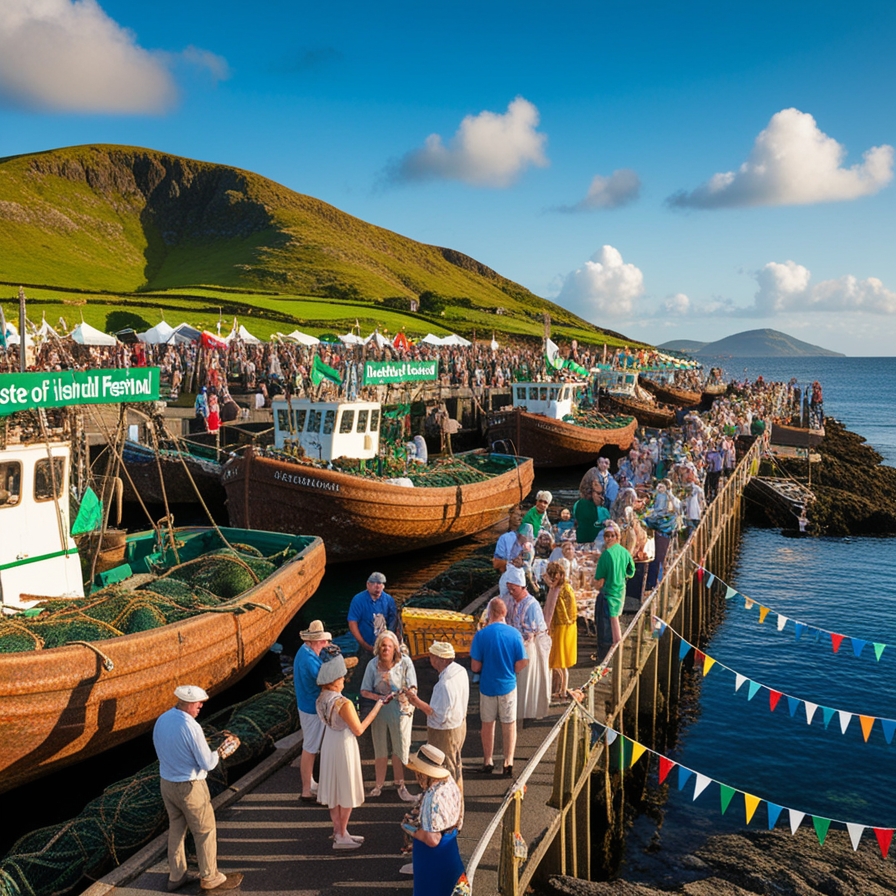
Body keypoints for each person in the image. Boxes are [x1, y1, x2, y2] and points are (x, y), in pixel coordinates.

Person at [152, 685, 243, 892]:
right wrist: (220, 752)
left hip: (167, 783)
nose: (201, 706)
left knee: (176, 828)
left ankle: (176, 876)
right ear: (186, 703)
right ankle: (210, 877)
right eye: (198, 703)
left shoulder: (162, 719)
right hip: (190, 786)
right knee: (205, 831)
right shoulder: (191, 727)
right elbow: (207, 764)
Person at [316, 655, 389, 849]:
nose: (344, 680)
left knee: (333, 788)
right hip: (343, 744)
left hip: (329, 741)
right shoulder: (343, 703)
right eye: (341, 677)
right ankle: (341, 834)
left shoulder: (321, 698)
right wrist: (377, 707)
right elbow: (358, 729)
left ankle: (339, 830)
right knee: (346, 788)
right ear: (334, 680)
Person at [470, 597, 527, 776]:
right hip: (508, 684)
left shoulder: (481, 635)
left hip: (487, 685)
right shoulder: (515, 634)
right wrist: (511, 670)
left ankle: (488, 760)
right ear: (504, 612)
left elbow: (475, 667)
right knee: (509, 723)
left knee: (487, 724)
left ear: (490, 613)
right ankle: (508, 761)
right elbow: (523, 661)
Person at [359, 630, 417, 801]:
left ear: (395, 649)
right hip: (380, 708)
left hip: (400, 707)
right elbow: (364, 690)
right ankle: (379, 784)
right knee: (380, 746)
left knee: (399, 746)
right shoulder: (372, 665)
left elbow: (413, 686)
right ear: (378, 648)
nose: (385, 649)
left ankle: (400, 784)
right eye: (383, 645)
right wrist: (379, 698)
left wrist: (407, 694)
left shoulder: (405, 662)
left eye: (389, 646)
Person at [405, 641, 469, 793]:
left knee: (445, 769)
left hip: (444, 732)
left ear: (441, 659)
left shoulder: (444, 685)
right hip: (459, 724)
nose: (430, 660)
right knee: (455, 765)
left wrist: (416, 701)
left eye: (433, 657)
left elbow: (437, 715)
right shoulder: (460, 671)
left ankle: (450, 801)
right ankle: (456, 802)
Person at [403, 745, 466, 896]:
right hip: (450, 853)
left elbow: (433, 839)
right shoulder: (450, 782)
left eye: (418, 771)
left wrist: (411, 829)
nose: (416, 775)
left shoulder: (433, 796)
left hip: (433, 863)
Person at [503, 565, 551, 721]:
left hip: (529, 646)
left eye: (513, 588)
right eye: (509, 588)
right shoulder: (509, 600)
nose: (511, 591)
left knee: (527, 680)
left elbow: (539, 630)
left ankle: (527, 712)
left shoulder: (532, 605)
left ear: (522, 586)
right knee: (516, 681)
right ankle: (515, 711)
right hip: (513, 646)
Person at [293, 620, 331, 802]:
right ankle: (306, 790)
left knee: (311, 745)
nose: (325, 644)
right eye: (322, 641)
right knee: (310, 747)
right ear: (315, 641)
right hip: (311, 707)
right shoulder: (309, 659)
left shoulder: (304, 652)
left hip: (306, 704)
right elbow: (323, 680)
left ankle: (310, 783)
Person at [593, 521, 635, 662]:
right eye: (607, 536)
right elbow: (631, 571)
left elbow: (599, 580)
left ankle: (609, 652)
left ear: (617, 536)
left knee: (608, 625)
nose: (609, 538)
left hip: (609, 592)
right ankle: (618, 645)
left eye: (611, 536)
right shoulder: (625, 552)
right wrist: (622, 576)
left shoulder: (606, 555)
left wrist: (595, 585)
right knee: (616, 618)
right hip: (620, 590)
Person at [347, 572, 400, 666]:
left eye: (380, 584)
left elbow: (393, 620)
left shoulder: (389, 600)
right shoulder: (358, 600)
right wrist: (363, 643)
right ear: (368, 585)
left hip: (385, 644)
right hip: (366, 644)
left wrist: (391, 640)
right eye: (374, 584)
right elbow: (352, 622)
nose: (378, 587)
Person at [543, 560, 578, 702]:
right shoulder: (557, 587)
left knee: (561, 660)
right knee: (554, 659)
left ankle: (563, 691)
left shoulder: (564, 589)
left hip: (563, 628)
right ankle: (559, 690)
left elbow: (565, 612)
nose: (552, 577)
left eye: (554, 574)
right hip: (558, 627)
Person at [573, 479, 610, 544]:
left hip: (585, 539)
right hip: (591, 541)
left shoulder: (577, 504)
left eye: (602, 494)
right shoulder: (580, 504)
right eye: (598, 494)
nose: (601, 496)